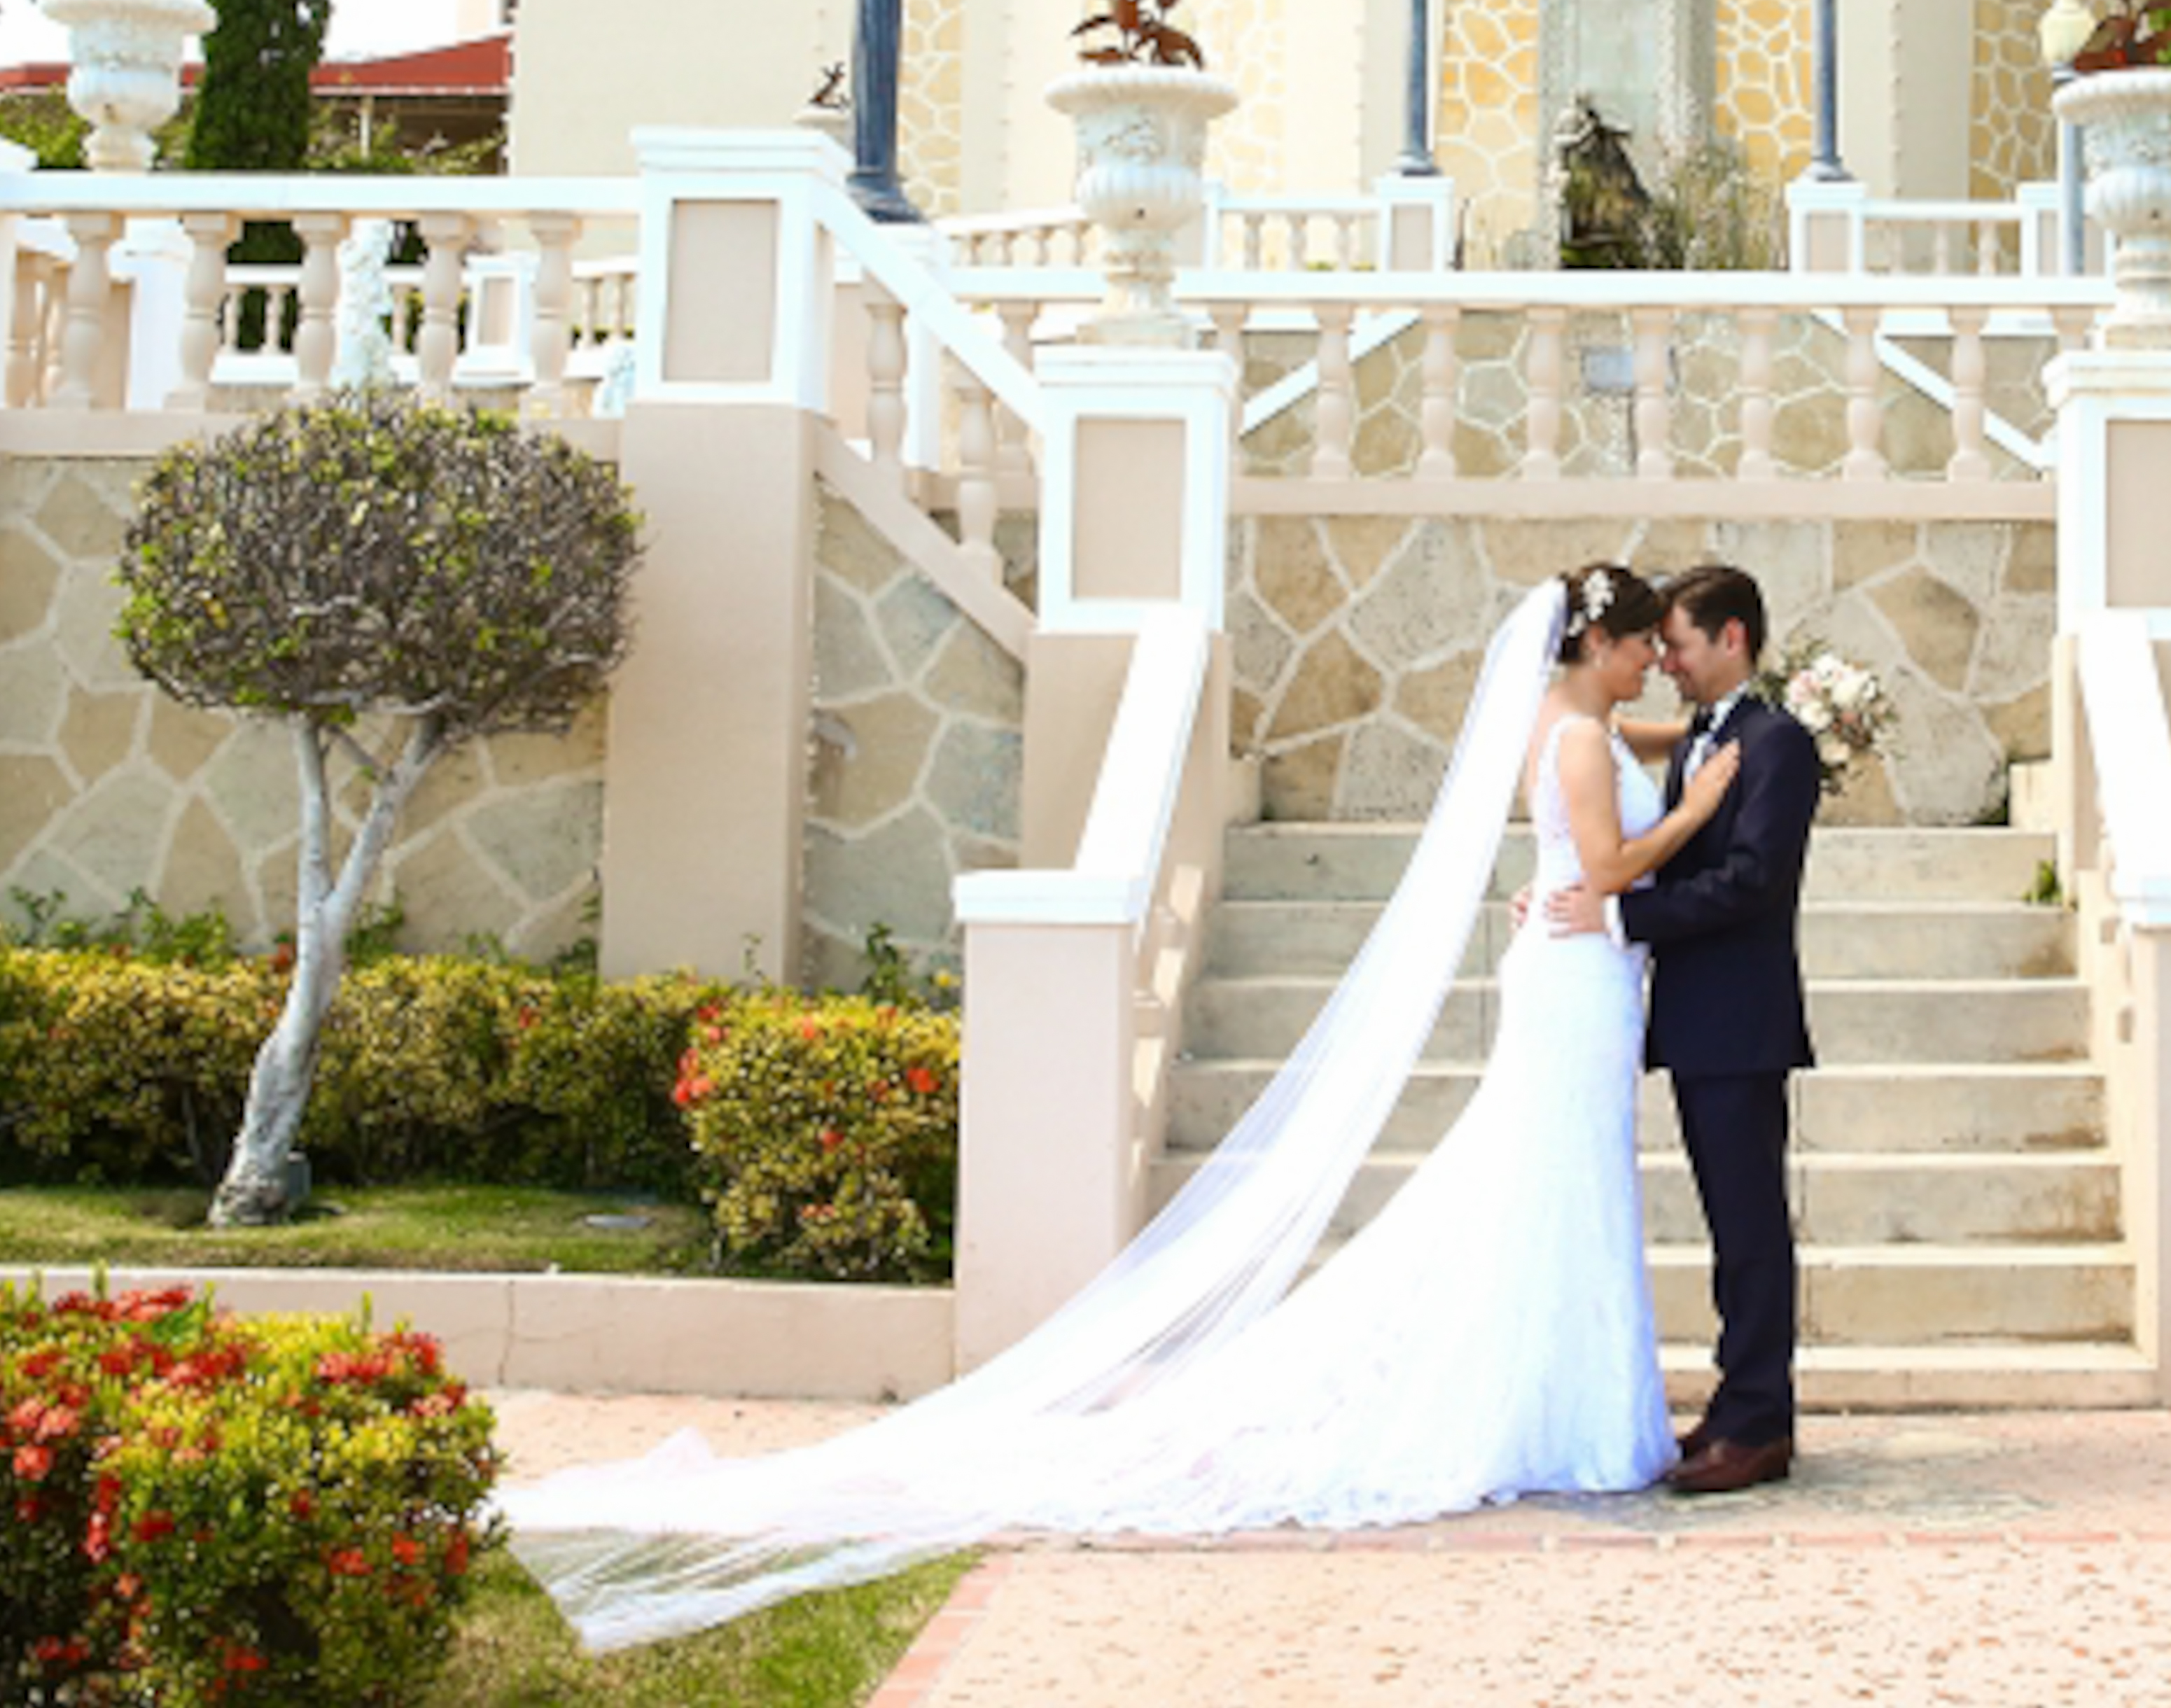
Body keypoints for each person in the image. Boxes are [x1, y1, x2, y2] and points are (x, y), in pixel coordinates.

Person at [483, 561, 1731, 1650]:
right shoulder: (1576, 739)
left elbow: (1616, 788)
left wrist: (1706, 745)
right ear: (1597, 644)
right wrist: (1702, 806)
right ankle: (1559, 1414)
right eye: (1640, 648)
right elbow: (1610, 860)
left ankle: (1558, 1398)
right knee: (1548, 1183)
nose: (1653, 666)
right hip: (1575, 986)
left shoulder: (1581, 728)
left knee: (1554, 1187)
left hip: (1585, 981)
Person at [1533, 561, 1814, 1491]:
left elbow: (1749, 882)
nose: (1669, 662)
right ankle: (1736, 1405)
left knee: (1751, 1229)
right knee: (1728, 1227)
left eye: (1682, 646)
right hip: (1694, 1019)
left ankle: (1760, 1423)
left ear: (1732, 639)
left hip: (1741, 1019)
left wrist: (1617, 916)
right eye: (1655, 645)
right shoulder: (1701, 735)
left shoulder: (1776, 744)